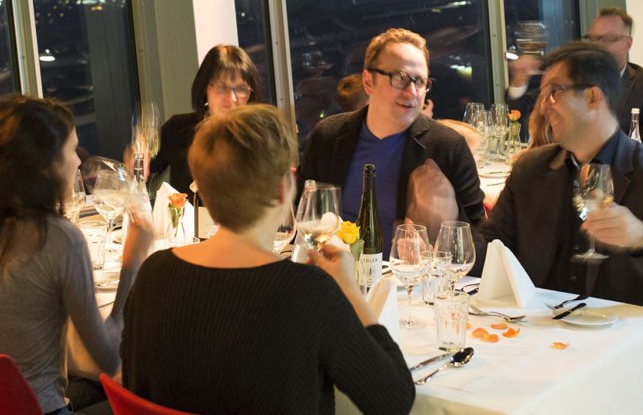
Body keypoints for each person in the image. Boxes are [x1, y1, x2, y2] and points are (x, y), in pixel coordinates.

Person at [121, 105, 414, 414]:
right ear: (283, 190)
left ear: (203, 191)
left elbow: (135, 389)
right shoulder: (308, 292)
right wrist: (350, 290)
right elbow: (394, 401)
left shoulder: (154, 274)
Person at [477, 42, 643, 415]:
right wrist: (441, 244)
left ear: (593, 97)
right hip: (544, 349)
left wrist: (642, 240)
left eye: (554, 92)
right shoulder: (531, 170)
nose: (544, 106)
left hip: (636, 356)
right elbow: (490, 252)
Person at [0, 97, 152, 415]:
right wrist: (131, 264)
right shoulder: (60, 239)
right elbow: (109, 359)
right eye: (71, 151)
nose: (78, 162)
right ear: (45, 166)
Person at [299, 28, 484, 245]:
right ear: (368, 81)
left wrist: (443, 224)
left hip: (412, 268)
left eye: (420, 81)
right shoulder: (327, 136)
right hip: (337, 264)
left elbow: (480, 241)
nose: (412, 92)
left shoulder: (447, 147)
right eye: (399, 78)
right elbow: (302, 216)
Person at [145, 44, 263, 193]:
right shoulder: (177, 129)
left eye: (241, 89)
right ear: (205, 88)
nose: (232, 98)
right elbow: (141, 177)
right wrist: (136, 169)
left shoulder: (259, 137)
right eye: (222, 87)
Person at [585, 7, 643, 145]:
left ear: (627, 44)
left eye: (608, 39)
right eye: (593, 39)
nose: (598, 46)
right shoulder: (576, 81)